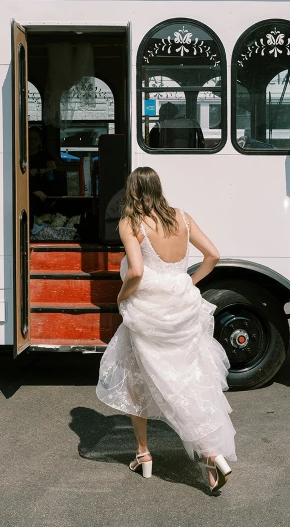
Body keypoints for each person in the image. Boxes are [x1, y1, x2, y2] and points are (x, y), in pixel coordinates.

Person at [96, 167, 236, 495]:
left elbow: (137, 271)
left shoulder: (131, 222)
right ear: (158, 188)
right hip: (182, 304)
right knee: (187, 378)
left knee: (137, 378)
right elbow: (213, 255)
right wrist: (188, 280)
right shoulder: (182, 217)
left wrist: (119, 298)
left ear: (132, 190)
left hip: (147, 309)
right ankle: (209, 455)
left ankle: (145, 453)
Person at [28, 127, 57, 223]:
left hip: (41, 184)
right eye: (29, 138)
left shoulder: (44, 154)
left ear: (40, 141)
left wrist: (39, 170)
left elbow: (53, 168)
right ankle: (41, 195)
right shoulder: (21, 155)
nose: (31, 142)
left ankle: (40, 194)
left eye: (34, 139)